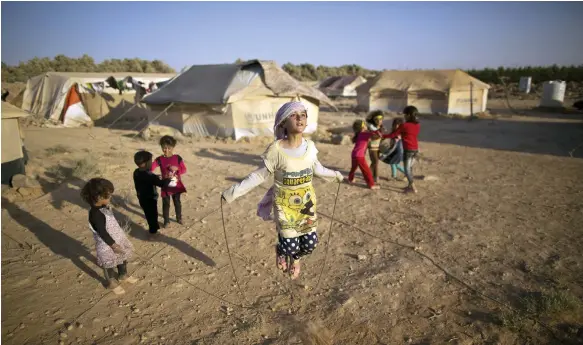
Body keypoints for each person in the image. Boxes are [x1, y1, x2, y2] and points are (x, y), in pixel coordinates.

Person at [221, 102, 343, 280]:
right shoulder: (275, 150)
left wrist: (337, 175)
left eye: (303, 114)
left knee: (310, 244)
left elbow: (319, 169)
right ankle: (282, 251)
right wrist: (232, 193)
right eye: (294, 115)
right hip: (284, 207)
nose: (300, 118)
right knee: (290, 245)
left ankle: (296, 259)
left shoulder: (310, 147)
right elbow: (258, 176)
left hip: (306, 206)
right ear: (283, 123)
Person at [81, 178, 137, 294]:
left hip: (117, 239)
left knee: (122, 257)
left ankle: (123, 275)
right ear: (99, 197)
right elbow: (102, 232)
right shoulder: (95, 214)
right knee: (109, 263)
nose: (110, 197)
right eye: (108, 195)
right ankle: (111, 283)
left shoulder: (103, 207)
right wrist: (112, 244)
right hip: (106, 244)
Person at [133, 150, 174, 237]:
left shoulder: (136, 172)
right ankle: (153, 231)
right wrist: (169, 178)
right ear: (145, 163)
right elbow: (162, 184)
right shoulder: (149, 176)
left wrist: (155, 176)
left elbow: (147, 178)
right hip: (150, 199)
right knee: (153, 215)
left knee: (148, 214)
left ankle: (154, 227)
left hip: (142, 198)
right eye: (150, 161)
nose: (152, 163)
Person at [151, 136, 187, 227]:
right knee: (166, 203)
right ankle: (166, 221)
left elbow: (184, 170)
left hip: (176, 184)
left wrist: (177, 168)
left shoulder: (177, 158)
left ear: (173, 148)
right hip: (165, 185)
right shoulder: (159, 159)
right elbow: (151, 168)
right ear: (161, 147)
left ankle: (179, 218)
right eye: (164, 148)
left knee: (177, 202)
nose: (166, 150)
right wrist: (154, 176)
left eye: (168, 148)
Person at [384, 106, 421, 193]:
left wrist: (382, 136)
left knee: (407, 169)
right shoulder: (417, 125)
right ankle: (409, 186)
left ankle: (413, 187)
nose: (404, 116)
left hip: (408, 149)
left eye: (405, 114)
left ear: (408, 115)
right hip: (415, 149)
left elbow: (393, 135)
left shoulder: (404, 125)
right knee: (410, 168)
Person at [347, 119, 387, 190]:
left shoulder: (359, 134)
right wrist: (381, 130)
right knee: (366, 171)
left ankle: (350, 179)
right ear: (362, 127)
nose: (366, 126)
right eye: (365, 125)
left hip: (354, 154)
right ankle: (371, 185)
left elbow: (374, 134)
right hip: (359, 156)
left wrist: (379, 132)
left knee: (353, 168)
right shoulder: (364, 134)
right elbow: (375, 135)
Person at [365, 110, 385, 183]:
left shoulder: (381, 128)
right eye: (377, 119)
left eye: (380, 119)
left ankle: (370, 175)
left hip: (378, 147)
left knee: (375, 162)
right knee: (375, 161)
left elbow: (382, 137)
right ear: (374, 120)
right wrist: (379, 133)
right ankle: (374, 176)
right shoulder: (371, 128)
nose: (379, 121)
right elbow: (372, 137)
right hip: (372, 147)